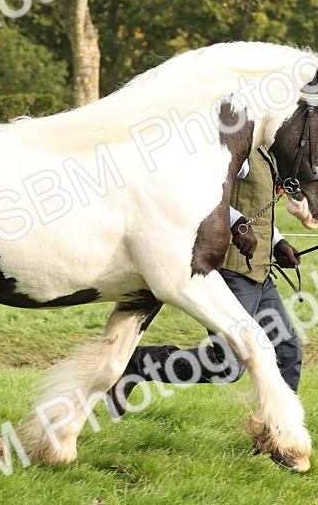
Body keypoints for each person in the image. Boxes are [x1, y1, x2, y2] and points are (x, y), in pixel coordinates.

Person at [106, 147, 304, 418]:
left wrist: (278, 241)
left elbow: (256, 207)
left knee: (288, 351)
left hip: (260, 273)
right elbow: (206, 194)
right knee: (229, 365)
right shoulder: (237, 147)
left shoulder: (267, 148)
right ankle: (137, 364)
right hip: (231, 271)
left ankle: (277, 429)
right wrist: (236, 223)